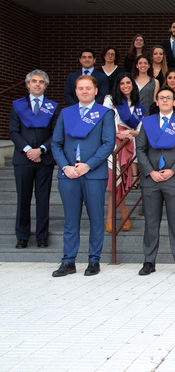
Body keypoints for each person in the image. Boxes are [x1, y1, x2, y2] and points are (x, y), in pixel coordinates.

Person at [51, 75, 116, 277]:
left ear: (96, 91)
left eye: (88, 88)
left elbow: (108, 143)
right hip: (69, 174)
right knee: (71, 219)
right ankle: (68, 260)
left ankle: (94, 260)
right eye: (80, 88)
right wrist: (65, 167)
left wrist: (88, 165)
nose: (84, 91)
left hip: (94, 173)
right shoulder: (66, 112)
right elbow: (56, 143)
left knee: (96, 218)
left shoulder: (104, 113)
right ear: (76, 91)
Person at [137, 86, 175, 277]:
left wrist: (173, 170)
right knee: (151, 223)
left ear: (174, 102)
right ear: (156, 101)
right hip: (151, 179)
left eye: (168, 98)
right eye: (161, 98)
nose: (164, 101)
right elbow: (141, 149)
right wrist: (151, 171)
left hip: (174, 179)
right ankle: (149, 261)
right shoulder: (147, 122)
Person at [10, 69, 60, 249]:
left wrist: (41, 150)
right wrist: (29, 150)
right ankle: (22, 236)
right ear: (28, 84)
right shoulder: (17, 105)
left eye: (41, 82)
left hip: (44, 159)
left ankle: (41, 236)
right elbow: (13, 132)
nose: (37, 84)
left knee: (43, 198)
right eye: (34, 81)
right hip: (23, 159)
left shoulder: (52, 107)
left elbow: (56, 133)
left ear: (45, 86)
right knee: (23, 198)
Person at [103, 72, 145, 233]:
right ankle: (113, 214)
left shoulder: (138, 105)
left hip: (128, 144)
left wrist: (129, 134)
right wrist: (117, 134)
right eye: (122, 83)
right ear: (117, 86)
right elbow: (105, 121)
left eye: (128, 82)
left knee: (121, 181)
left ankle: (122, 211)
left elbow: (139, 130)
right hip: (113, 144)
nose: (126, 86)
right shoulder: (110, 100)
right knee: (114, 180)